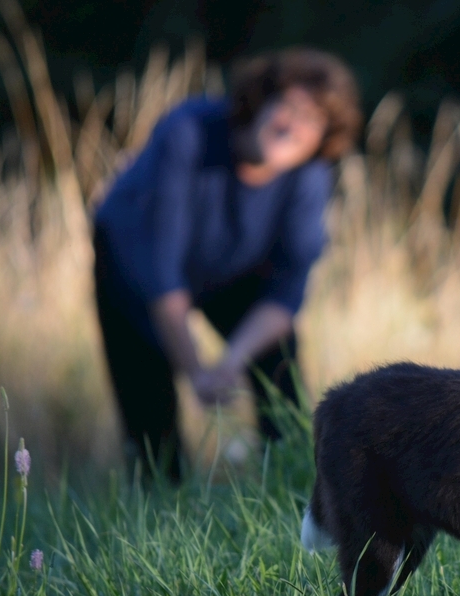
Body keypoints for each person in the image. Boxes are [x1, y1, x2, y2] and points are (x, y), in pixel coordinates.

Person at [93, 48, 362, 484]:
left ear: (322, 140)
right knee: (151, 423)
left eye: (312, 120)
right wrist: (196, 371)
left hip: (234, 274)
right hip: (133, 270)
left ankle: (296, 494)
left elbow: (286, 292)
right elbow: (161, 272)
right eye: (289, 108)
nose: (292, 126)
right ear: (261, 103)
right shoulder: (188, 134)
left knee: (281, 377)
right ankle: (160, 518)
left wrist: (232, 361)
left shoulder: (309, 179)